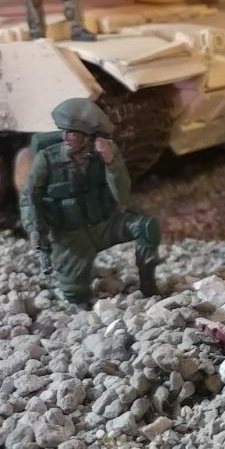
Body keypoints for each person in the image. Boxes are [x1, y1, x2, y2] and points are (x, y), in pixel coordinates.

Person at [20, 97, 161, 307]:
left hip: (104, 225)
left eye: (72, 133)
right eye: (64, 131)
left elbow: (122, 196)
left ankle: (149, 286)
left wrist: (111, 162)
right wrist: (34, 228)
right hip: (71, 237)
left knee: (147, 227)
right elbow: (28, 196)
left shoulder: (104, 154)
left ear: (88, 137)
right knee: (75, 295)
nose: (65, 137)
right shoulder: (47, 159)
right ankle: (80, 276)